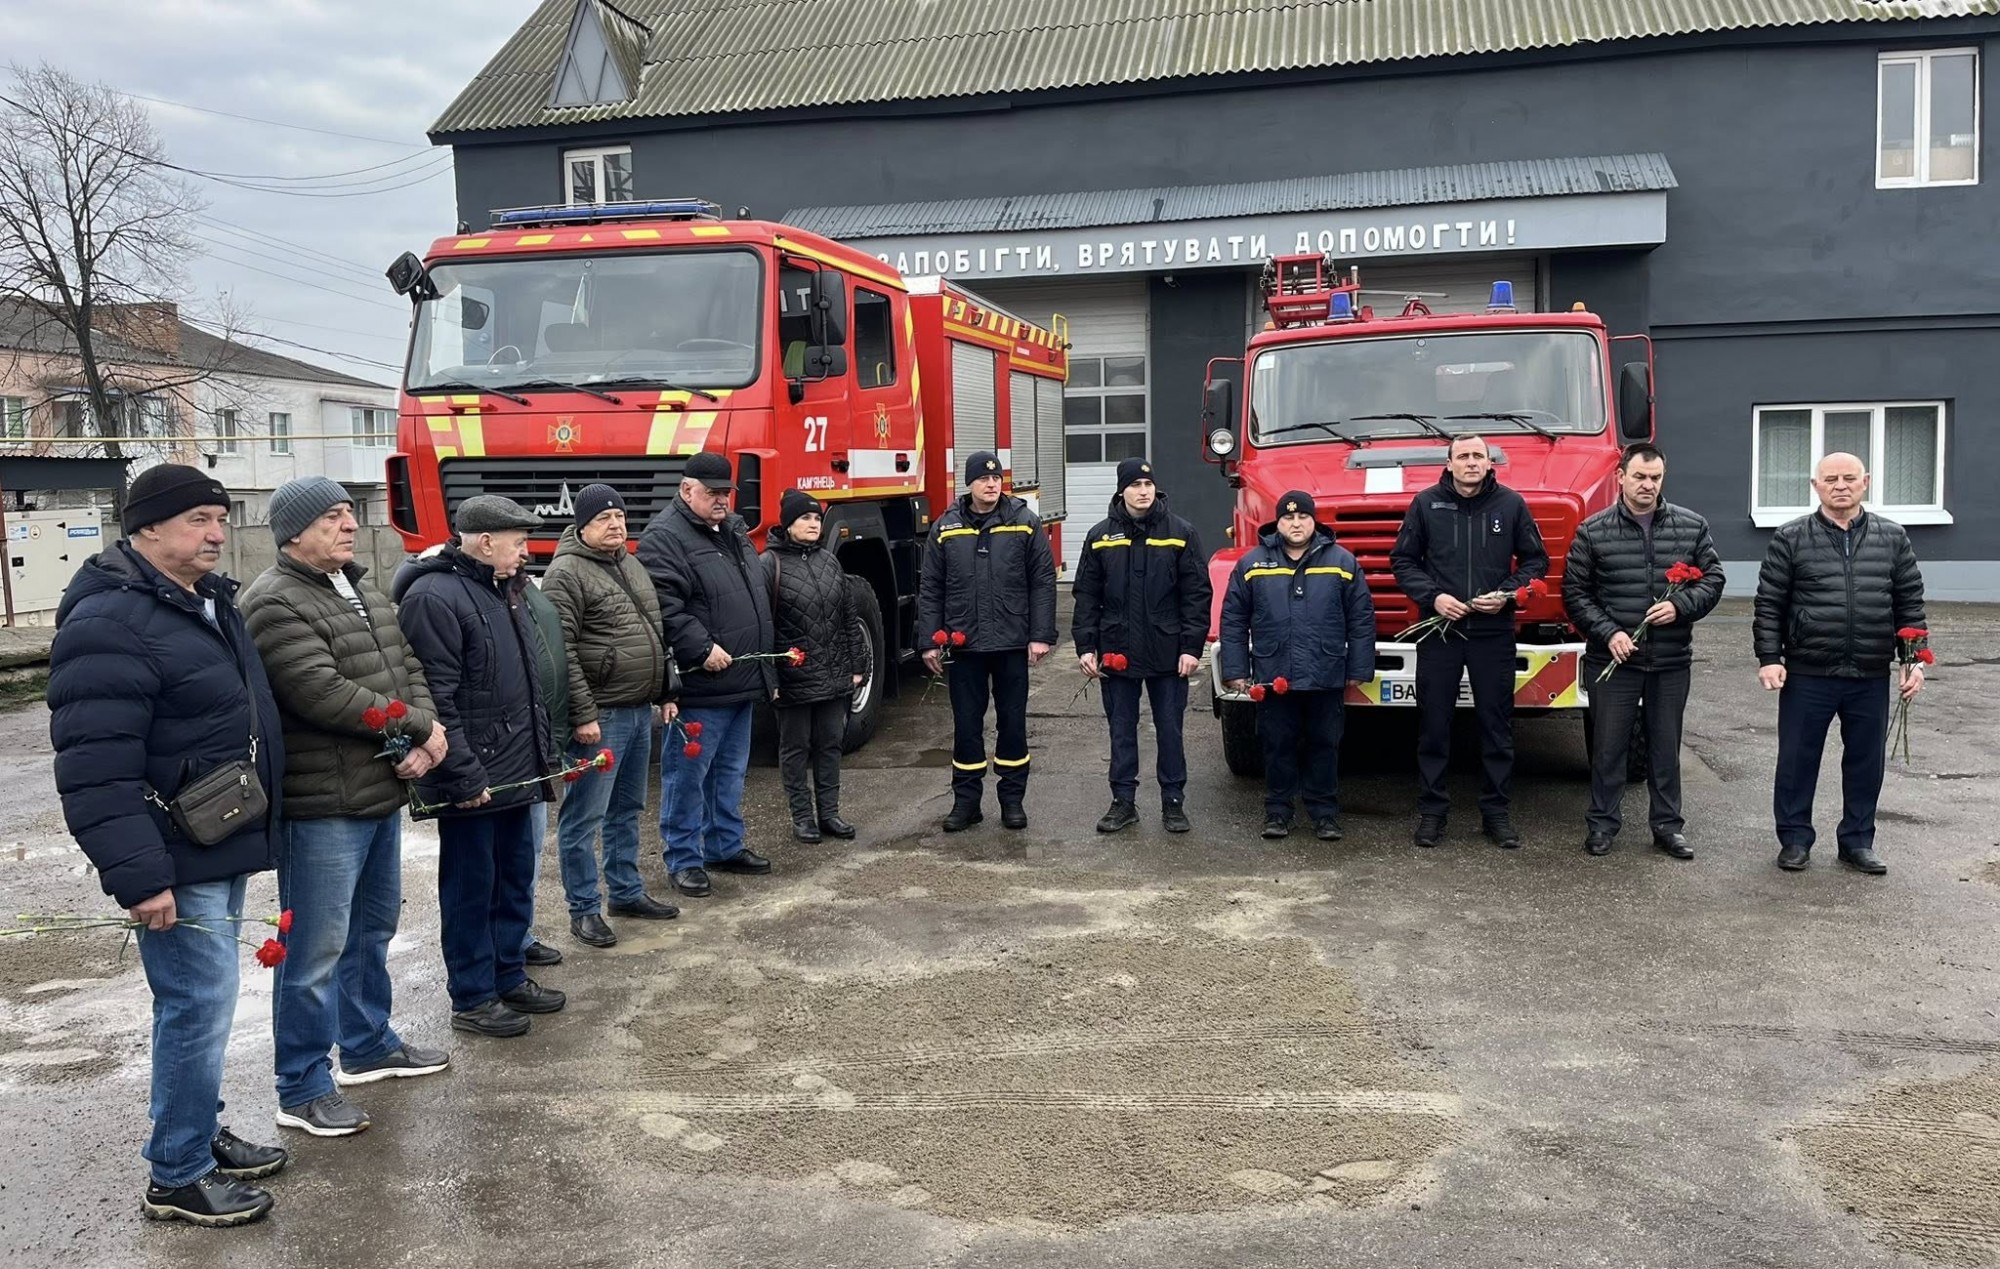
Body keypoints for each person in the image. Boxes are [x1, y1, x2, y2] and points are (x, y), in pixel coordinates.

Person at [49, 463, 288, 1226]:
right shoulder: (108, 621)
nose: (217, 533)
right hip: (171, 854)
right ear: (146, 527)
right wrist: (140, 877)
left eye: (221, 517)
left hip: (218, 834)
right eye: (197, 520)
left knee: (208, 1006)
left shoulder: (207, 602)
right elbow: (94, 767)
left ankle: (198, 1130)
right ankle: (176, 1174)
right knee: (194, 1005)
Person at [241, 478, 451, 1140]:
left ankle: (366, 1045)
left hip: (376, 786)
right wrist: (417, 729)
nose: (348, 525)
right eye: (331, 517)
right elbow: (323, 692)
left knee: (371, 928)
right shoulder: (274, 601)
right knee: (314, 947)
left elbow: (404, 668)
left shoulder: (358, 588)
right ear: (292, 532)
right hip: (321, 801)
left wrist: (424, 735)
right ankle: (301, 1085)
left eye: (348, 514)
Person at [395, 496, 564, 1037]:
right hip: (474, 778)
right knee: (473, 888)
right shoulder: (434, 596)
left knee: (513, 879)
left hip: (516, 768)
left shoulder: (502, 590)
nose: (526, 551)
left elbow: (523, 685)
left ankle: (508, 973)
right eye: (518, 541)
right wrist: (463, 776)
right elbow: (437, 700)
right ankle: (472, 995)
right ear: (485, 542)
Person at [1754, 452, 1927, 875]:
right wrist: (1769, 657)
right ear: (1816, 486)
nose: (1840, 485)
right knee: (1797, 760)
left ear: (1865, 481)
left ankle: (1857, 841)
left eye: (1849, 477)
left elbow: (1910, 604)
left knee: (1866, 763)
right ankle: (1794, 839)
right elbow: (1769, 604)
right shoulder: (1791, 537)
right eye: (1830, 478)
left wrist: (1914, 662)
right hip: (1808, 672)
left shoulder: (1893, 537)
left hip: (1869, 672)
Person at [1563, 445, 1725, 859]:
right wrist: (1609, 633)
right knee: (1608, 747)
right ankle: (1602, 825)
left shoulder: (1691, 526)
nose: (1647, 485)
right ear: (1621, 477)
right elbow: (1575, 593)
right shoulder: (1593, 530)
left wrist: (1679, 605)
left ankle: (1668, 828)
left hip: (1670, 659)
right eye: (1639, 477)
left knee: (1665, 747)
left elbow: (1713, 580)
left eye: (1655, 478)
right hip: (1614, 659)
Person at [1390, 434, 1549, 849]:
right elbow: (1402, 561)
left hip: (1492, 632)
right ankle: (1432, 813)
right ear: (1449, 463)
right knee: (1434, 726)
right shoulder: (1425, 504)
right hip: (1439, 631)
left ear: (1490, 462)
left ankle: (1496, 813)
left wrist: (1508, 594)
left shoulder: (1510, 505)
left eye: (1478, 455)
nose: (1471, 462)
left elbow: (1536, 561)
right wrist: (1434, 597)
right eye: (1463, 456)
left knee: (1496, 726)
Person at [541, 483, 681, 947]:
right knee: (583, 818)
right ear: (582, 526)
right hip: (599, 717)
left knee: (628, 809)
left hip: (639, 711)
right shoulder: (566, 574)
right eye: (604, 519)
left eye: (620, 517)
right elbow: (561, 654)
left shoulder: (631, 563)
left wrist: (663, 691)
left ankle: (625, 892)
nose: (616, 525)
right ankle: (584, 908)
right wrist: (582, 715)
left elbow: (654, 631)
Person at [638, 451, 776, 897]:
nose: (721, 501)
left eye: (726, 493)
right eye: (712, 493)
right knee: (687, 776)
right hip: (702, 681)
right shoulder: (665, 537)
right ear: (686, 490)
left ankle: (724, 845)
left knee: (731, 772)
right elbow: (664, 606)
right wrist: (700, 647)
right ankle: (684, 857)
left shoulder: (732, 530)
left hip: (741, 677)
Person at [1219, 491, 1376, 839]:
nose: (1296, 524)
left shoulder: (1342, 562)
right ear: (1278, 523)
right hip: (1275, 675)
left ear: (1313, 522)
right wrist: (1235, 670)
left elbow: (1361, 619)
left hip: (1325, 673)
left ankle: (1324, 815)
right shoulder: (1253, 564)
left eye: (1303, 517)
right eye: (1288, 518)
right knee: (1277, 745)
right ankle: (1278, 812)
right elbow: (1232, 619)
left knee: (1325, 744)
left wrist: (1359, 668)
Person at [917, 451, 1058, 831]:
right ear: (970, 483)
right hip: (966, 648)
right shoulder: (945, 527)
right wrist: (930, 640)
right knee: (966, 727)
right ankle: (967, 804)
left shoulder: (1025, 523)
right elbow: (930, 587)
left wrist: (1041, 635)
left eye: (996, 478)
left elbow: (1042, 581)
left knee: (1012, 724)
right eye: (983, 479)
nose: (992, 484)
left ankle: (1012, 802)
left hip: (1011, 643)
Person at [1071, 457, 1211, 834]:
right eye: (1135, 486)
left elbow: (1197, 595)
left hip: (1167, 652)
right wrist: (1086, 645)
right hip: (1117, 651)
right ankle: (1123, 802)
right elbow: (1086, 595)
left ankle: (1173, 803)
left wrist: (1191, 647)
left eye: (1148, 485)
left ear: (1155, 489)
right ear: (1122, 491)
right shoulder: (1101, 536)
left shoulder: (1181, 533)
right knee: (1121, 730)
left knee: (1170, 729)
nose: (1143, 492)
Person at [763, 489, 867, 843]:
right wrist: (771, 677)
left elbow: (848, 618)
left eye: (816, 518)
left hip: (833, 674)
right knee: (795, 748)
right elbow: (764, 628)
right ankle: (802, 817)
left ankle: (830, 814)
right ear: (788, 523)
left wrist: (857, 665)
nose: (812, 524)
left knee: (830, 744)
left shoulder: (829, 561)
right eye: (804, 518)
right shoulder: (770, 565)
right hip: (793, 678)